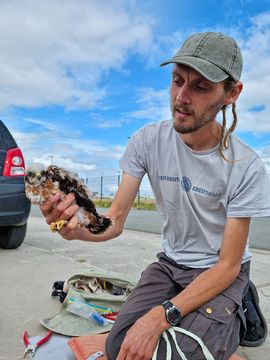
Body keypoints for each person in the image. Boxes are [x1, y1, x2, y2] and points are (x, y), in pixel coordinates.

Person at [40, 32, 270, 360]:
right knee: (119, 346)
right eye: (177, 81)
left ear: (231, 93)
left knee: (177, 352)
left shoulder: (245, 165)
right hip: (172, 263)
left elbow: (229, 264)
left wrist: (160, 316)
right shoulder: (147, 141)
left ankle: (238, 309)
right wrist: (77, 229)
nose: (181, 97)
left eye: (201, 87)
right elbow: (114, 220)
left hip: (218, 270)